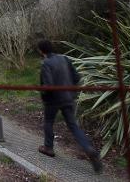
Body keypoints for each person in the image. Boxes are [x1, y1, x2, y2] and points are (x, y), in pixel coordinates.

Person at [37, 39, 103, 173]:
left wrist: (42, 91)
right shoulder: (65, 58)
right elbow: (77, 77)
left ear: (41, 51)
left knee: (49, 121)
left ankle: (48, 148)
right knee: (73, 125)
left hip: (53, 100)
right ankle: (89, 149)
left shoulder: (46, 63)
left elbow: (48, 86)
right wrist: (71, 92)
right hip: (68, 98)